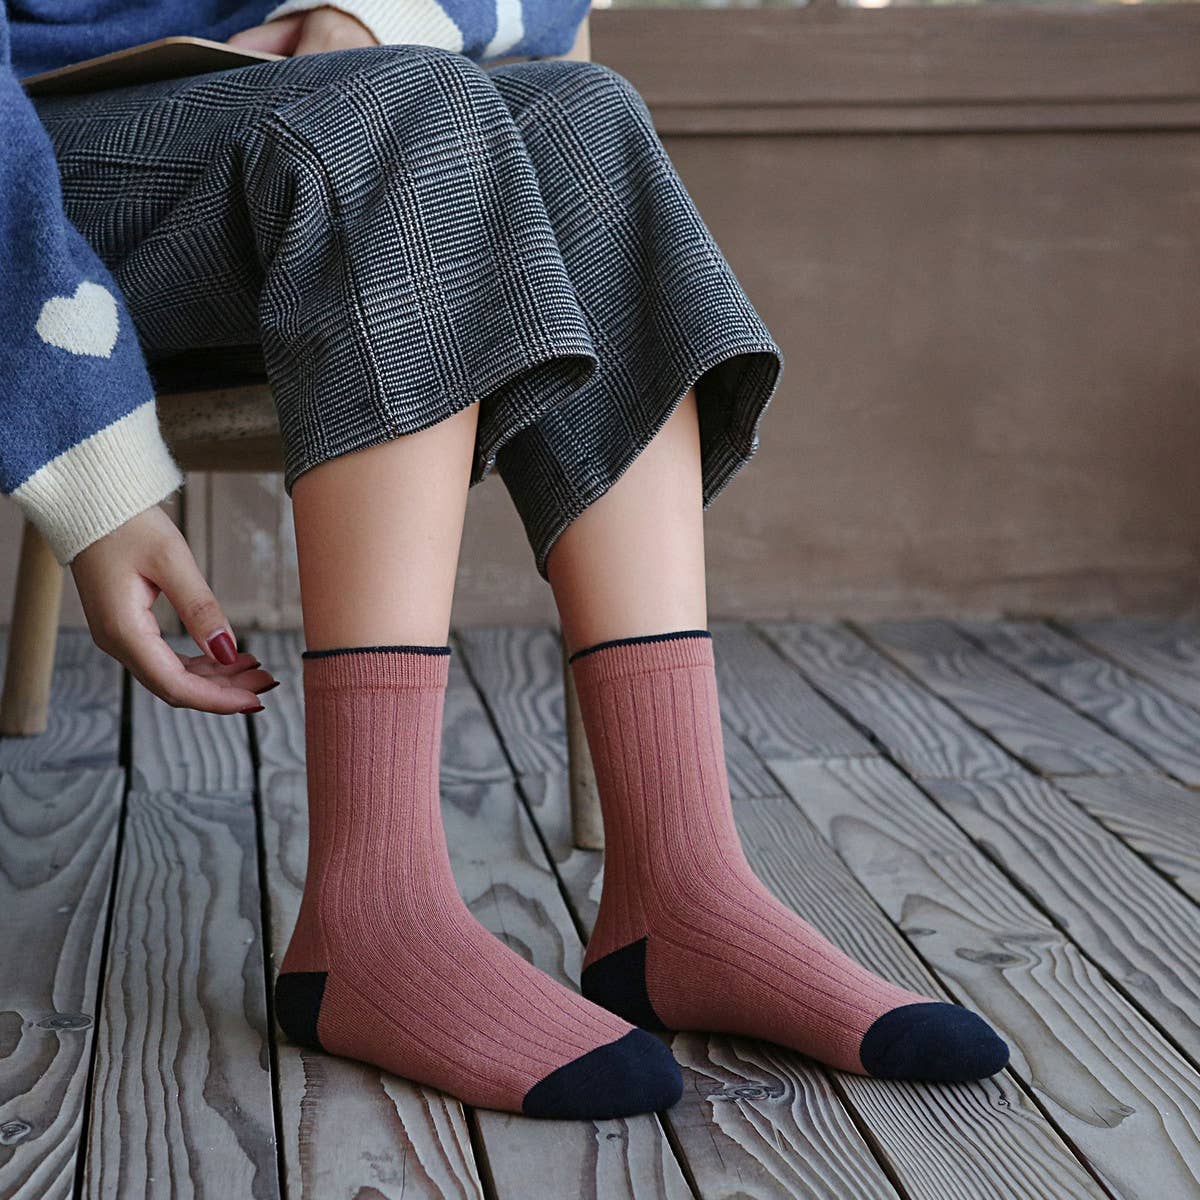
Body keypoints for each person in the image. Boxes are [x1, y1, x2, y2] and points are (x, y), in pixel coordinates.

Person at [1, 0, 1009, 1120]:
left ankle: (683, 886)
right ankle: (371, 913)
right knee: (395, 112)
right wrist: (90, 472)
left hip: (269, 119)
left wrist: (363, 12)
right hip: (29, 171)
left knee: (584, 119)